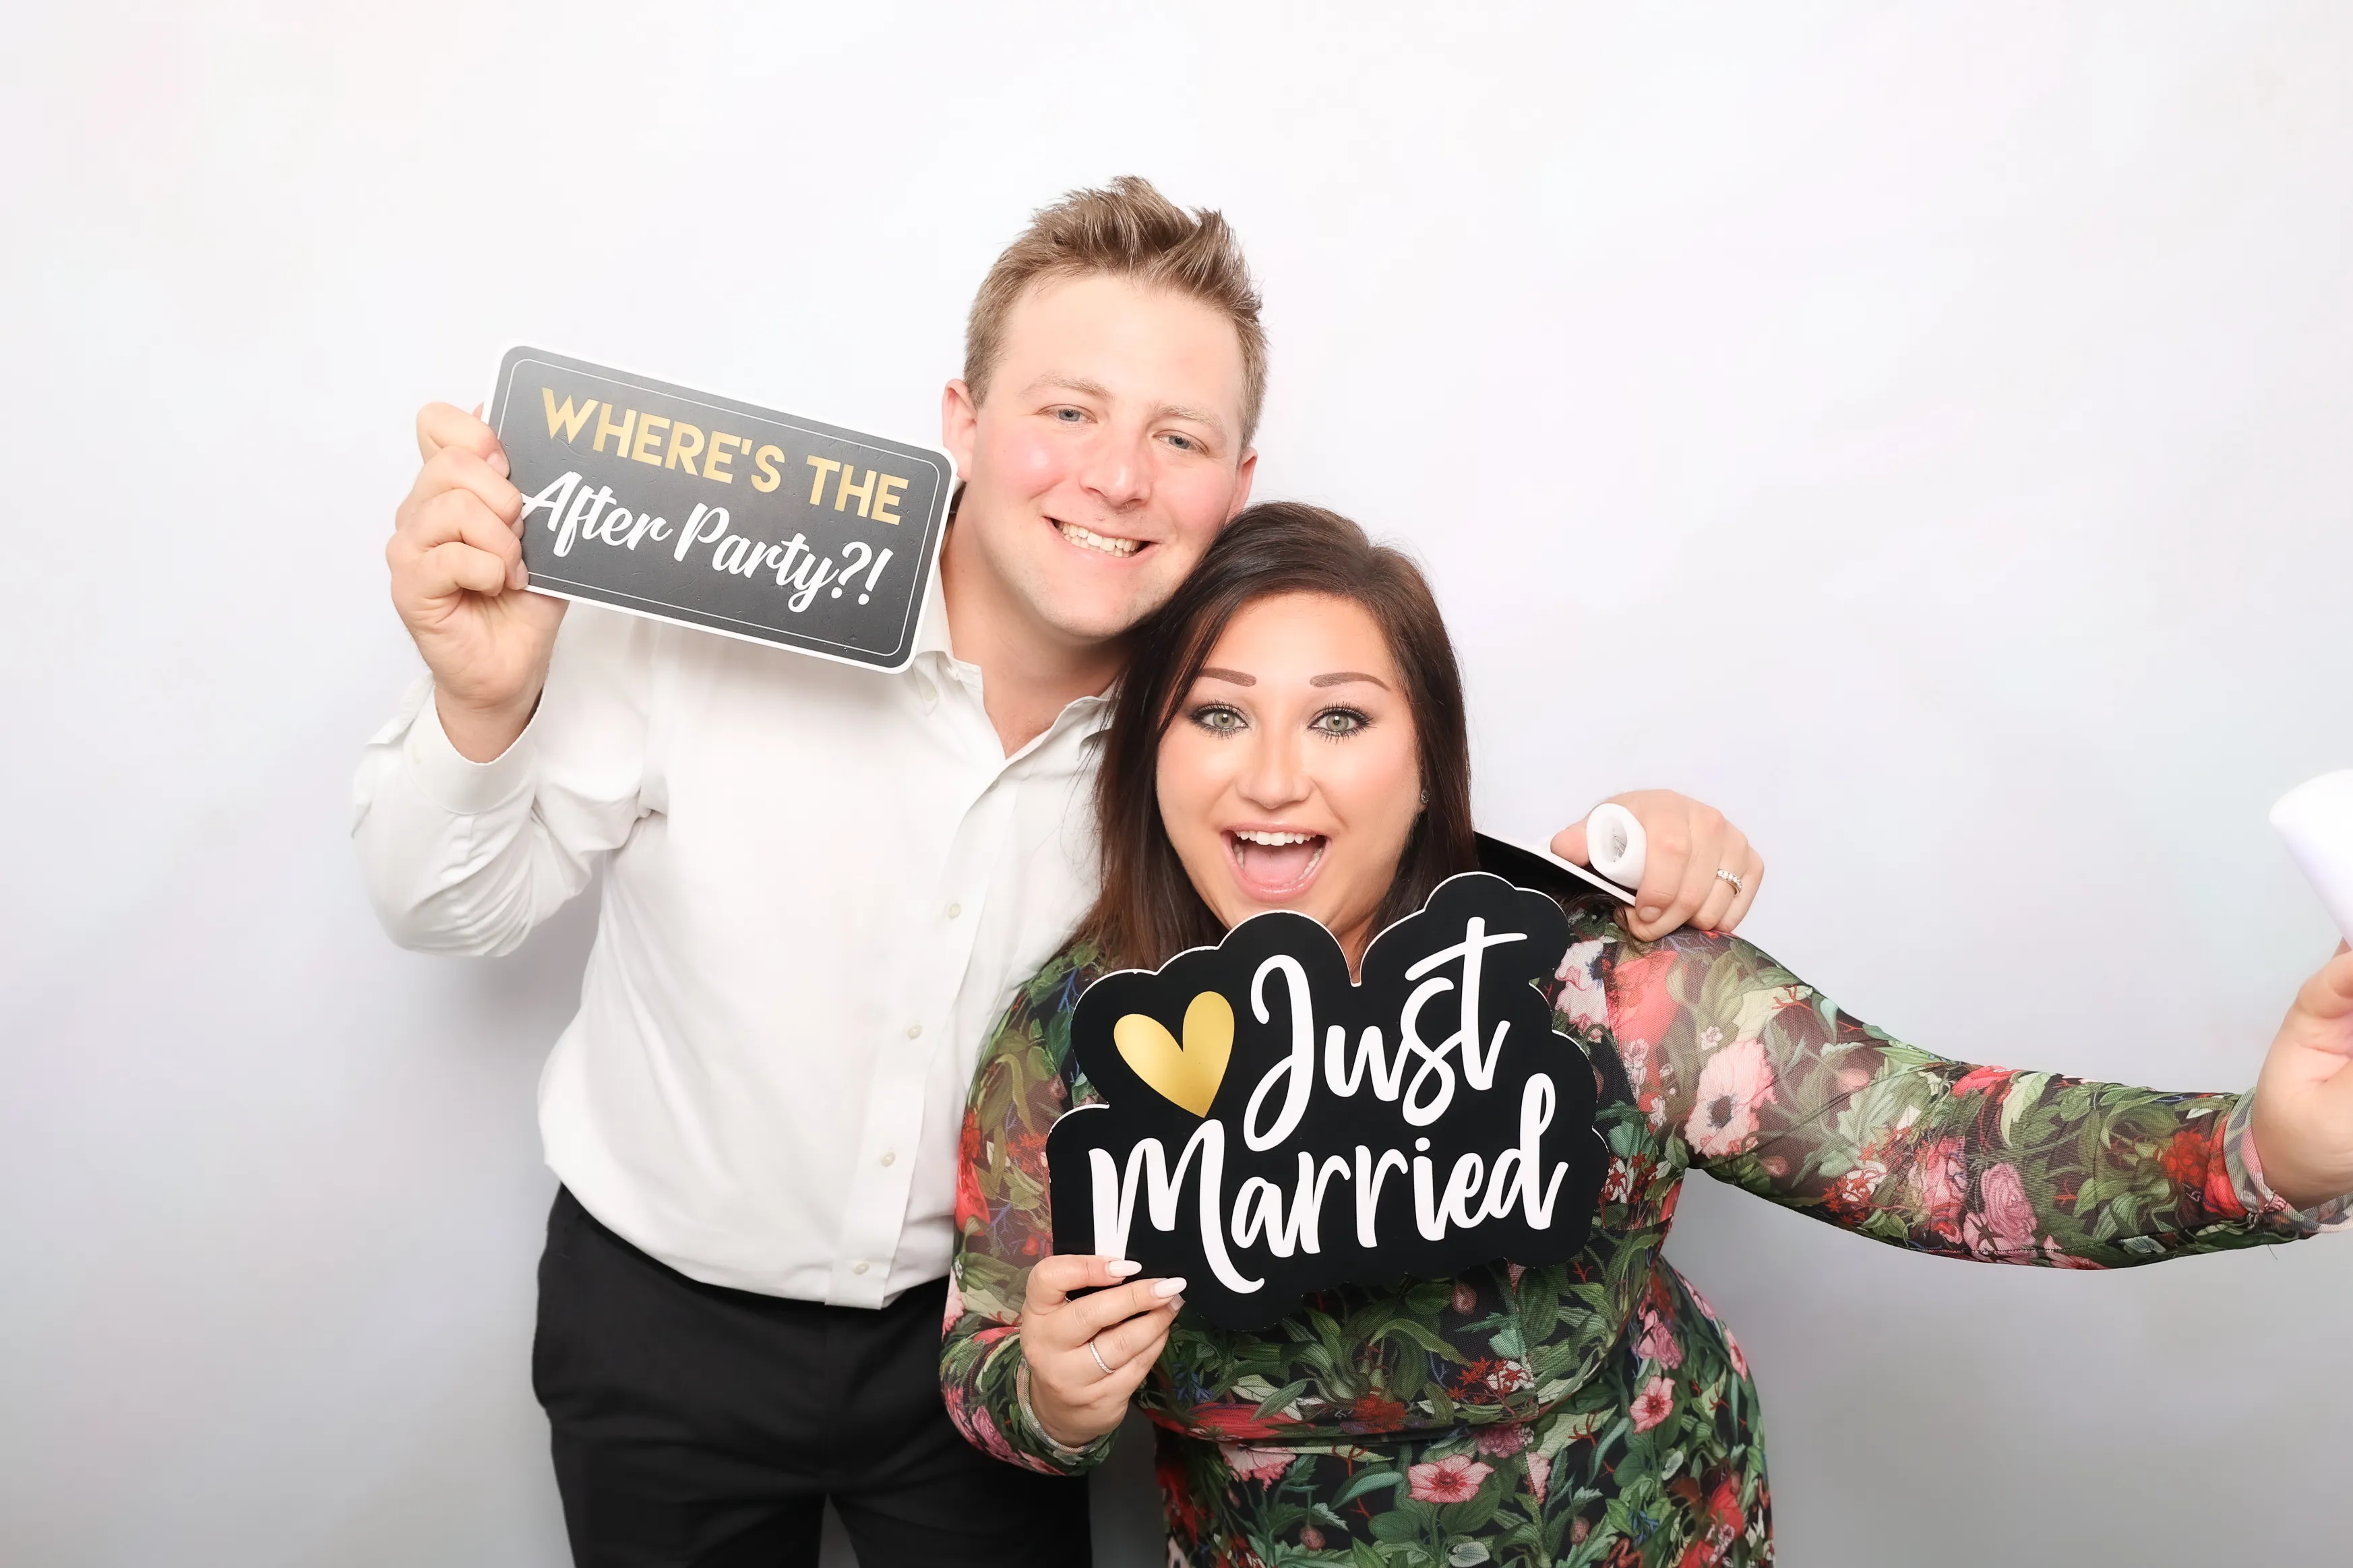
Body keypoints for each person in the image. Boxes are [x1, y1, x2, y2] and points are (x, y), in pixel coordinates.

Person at [352, 179, 1768, 1567]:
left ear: (1236, 484)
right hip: (658, 1315)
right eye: (1067, 411)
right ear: (962, 422)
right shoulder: (719, 601)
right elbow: (443, 907)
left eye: (1177, 435)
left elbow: (1383, 907)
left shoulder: (1217, 739)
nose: (1116, 476)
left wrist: (1625, 859)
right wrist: (480, 709)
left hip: (999, 1342)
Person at [940, 501, 2353, 1567]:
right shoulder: (1071, 1039)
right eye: (1216, 713)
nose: (1270, 776)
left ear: (1426, 755)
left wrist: (2258, 1151)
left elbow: (1944, 1149)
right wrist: (1048, 1396)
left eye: (1339, 718)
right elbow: (983, 1354)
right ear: (1147, 749)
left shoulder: (1599, 981)